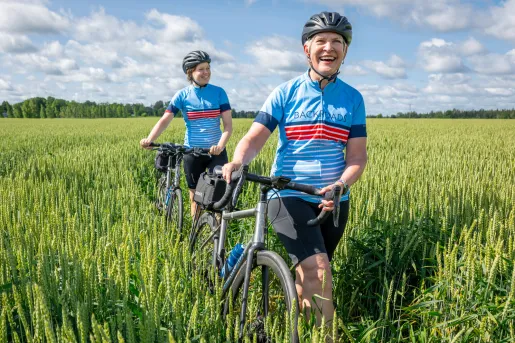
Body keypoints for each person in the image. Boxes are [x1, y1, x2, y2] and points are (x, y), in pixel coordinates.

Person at [222, 11, 367, 340]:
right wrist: (238, 162)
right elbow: (254, 138)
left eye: (337, 42)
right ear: (307, 50)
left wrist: (341, 184)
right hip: (287, 194)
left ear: (345, 50)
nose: (329, 47)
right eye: (321, 41)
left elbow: (357, 157)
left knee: (314, 276)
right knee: (318, 272)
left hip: (332, 200)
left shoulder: (353, 99)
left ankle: (300, 330)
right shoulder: (285, 92)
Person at [140, 50, 233, 217]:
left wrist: (220, 146)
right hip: (192, 152)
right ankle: (194, 236)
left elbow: (228, 126)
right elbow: (165, 120)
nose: (206, 73)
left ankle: (217, 239)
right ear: (190, 73)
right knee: (195, 197)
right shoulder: (182, 95)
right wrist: (150, 139)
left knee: (217, 198)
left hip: (216, 153)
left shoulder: (219, 93)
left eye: (208, 68)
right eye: (201, 69)